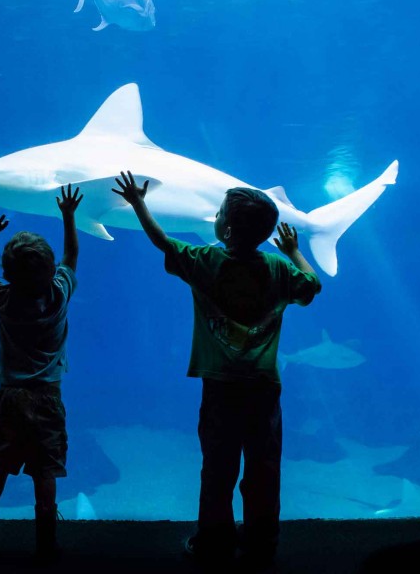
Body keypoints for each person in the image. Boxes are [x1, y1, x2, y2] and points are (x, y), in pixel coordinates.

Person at [112, 171, 321, 572]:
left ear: (222, 226)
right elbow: (312, 286)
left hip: (221, 386)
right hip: (263, 387)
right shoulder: (278, 269)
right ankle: (263, 543)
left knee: (218, 468)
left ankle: (214, 542)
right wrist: (293, 250)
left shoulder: (206, 261)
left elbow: (163, 243)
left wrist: (138, 203)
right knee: (263, 468)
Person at [0, 183, 83, 563]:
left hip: (10, 396)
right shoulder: (59, 293)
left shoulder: (4, 297)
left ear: (8, 274)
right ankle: (46, 543)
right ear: (51, 271)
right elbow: (72, 256)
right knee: (45, 470)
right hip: (48, 397)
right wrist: (68, 215)